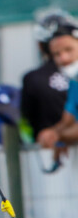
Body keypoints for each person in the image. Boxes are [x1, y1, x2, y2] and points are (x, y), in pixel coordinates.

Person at [21, 10, 71, 141]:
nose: (64, 59)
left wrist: (56, 136)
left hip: (44, 152)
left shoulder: (32, 79)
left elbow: (26, 123)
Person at [36, 18, 78, 150]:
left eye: (69, 50)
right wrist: (51, 134)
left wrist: (57, 137)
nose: (63, 58)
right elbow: (67, 120)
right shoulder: (74, 81)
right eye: (57, 54)